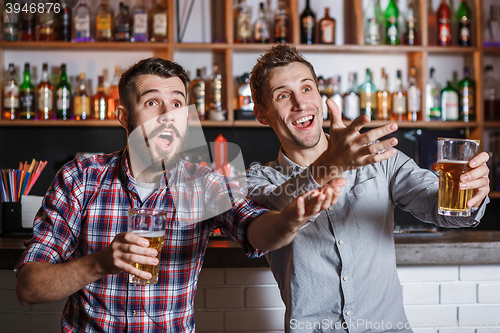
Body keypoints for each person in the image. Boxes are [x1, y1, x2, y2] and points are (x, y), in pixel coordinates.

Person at [14, 57, 347, 332]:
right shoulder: (80, 178)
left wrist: (289, 220)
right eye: (151, 103)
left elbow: (258, 230)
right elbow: (29, 287)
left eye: (176, 103)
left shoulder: (204, 184)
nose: (167, 115)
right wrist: (99, 263)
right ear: (123, 117)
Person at [239, 44, 491, 332]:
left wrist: (469, 193)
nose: (300, 103)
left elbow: (440, 206)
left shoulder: (378, 158)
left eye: (307, 89)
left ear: (320, 97)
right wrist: (329, 166)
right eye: (283, 95)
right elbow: (273, 218)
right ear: (262, 114)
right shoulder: (258, 181)